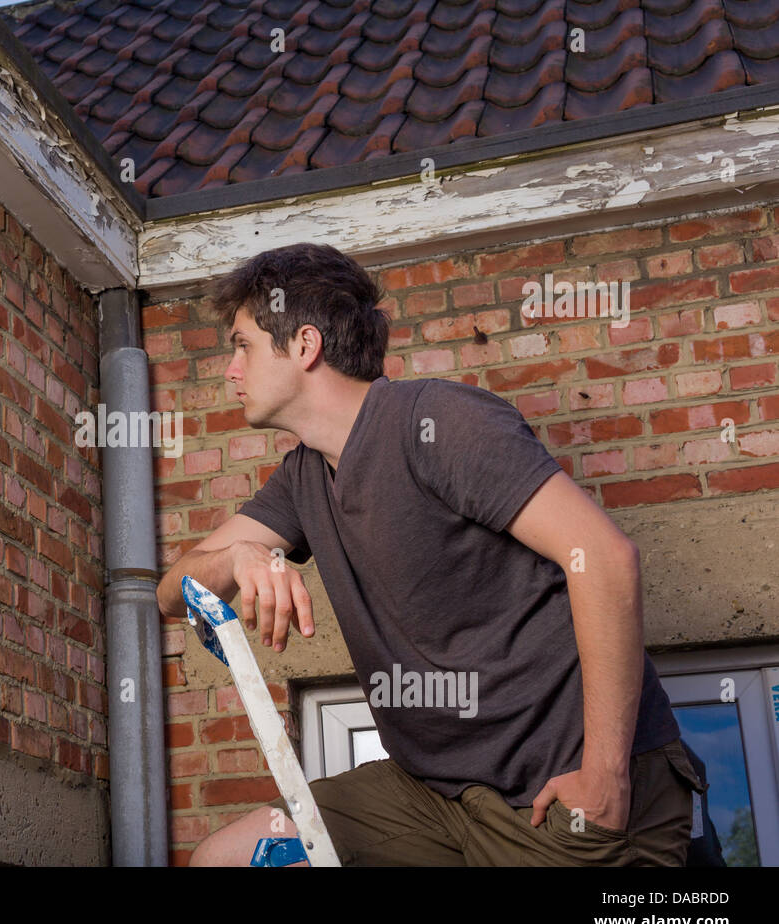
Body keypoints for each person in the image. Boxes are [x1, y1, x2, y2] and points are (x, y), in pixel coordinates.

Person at [156, 242, 707, 866]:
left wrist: (605, 776)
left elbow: (604, 558)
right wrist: (236, 559)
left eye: (242, 345)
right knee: (227, 859)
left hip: (557, 789)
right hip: (435, 796)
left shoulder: (437, 421)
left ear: (304, 345)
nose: (229, 371)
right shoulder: (303, 478)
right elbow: (172, 592)